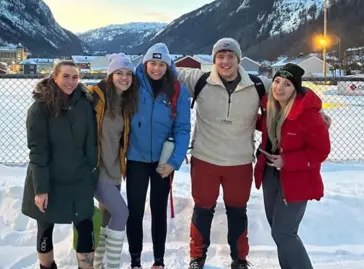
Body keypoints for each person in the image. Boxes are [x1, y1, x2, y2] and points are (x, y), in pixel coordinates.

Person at [176, 38, 331, 269]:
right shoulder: (199, 80)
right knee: (202, 210)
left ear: (239, 59)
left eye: (230, 56)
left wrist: (315, 110)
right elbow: (163, 71)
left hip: (240, 162)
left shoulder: (258, 84)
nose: (225, 61)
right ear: (214, 59)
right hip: (205, 159)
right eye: (220, 56)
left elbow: (295, 89)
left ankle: (239, 260)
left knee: (239, 213)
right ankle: (197, 257)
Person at [21, 60, 98, 269]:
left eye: (75, 77)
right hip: (49, 178)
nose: (71, 82)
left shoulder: (85, 104)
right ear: (54, 77)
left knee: (85, 226)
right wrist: (41, 189)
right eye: (65, 76)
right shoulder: (40, 108)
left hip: (79, 177)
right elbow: (38, 151)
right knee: (45, 227)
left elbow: (91, 142)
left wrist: (92, 171)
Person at [254, 63, 331, 269]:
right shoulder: (272, 110)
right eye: (277, 81)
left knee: (284, 232)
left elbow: (320, 151)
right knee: (278, 231)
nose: (279, 87)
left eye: (287, 84)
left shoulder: (309, 116)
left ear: (295, 89)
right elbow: (259, 125)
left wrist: (287, 161)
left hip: (298, 180)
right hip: (271, 175)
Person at [126, 43, 191, 269]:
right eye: (152, 63)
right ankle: (135, 260)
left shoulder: (177, 90)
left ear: (168, 65)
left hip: (163, 161)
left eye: (161, 64)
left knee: (158, 210)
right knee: (134, 211)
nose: (156, 68)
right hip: (136, 158)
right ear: (145, 64)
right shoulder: (132, 85)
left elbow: (182, 128)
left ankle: (158, 261)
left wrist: (174, 162)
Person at [86, 53, 139, 269]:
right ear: (110, 75)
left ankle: (98, 264)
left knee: (107, 217)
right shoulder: (95, 98)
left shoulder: (127, 102)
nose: (124, 77)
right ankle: (113, 266)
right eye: (119, 73)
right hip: (97, 169)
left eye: (128, 74)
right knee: (121, 213)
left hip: (115, 169)